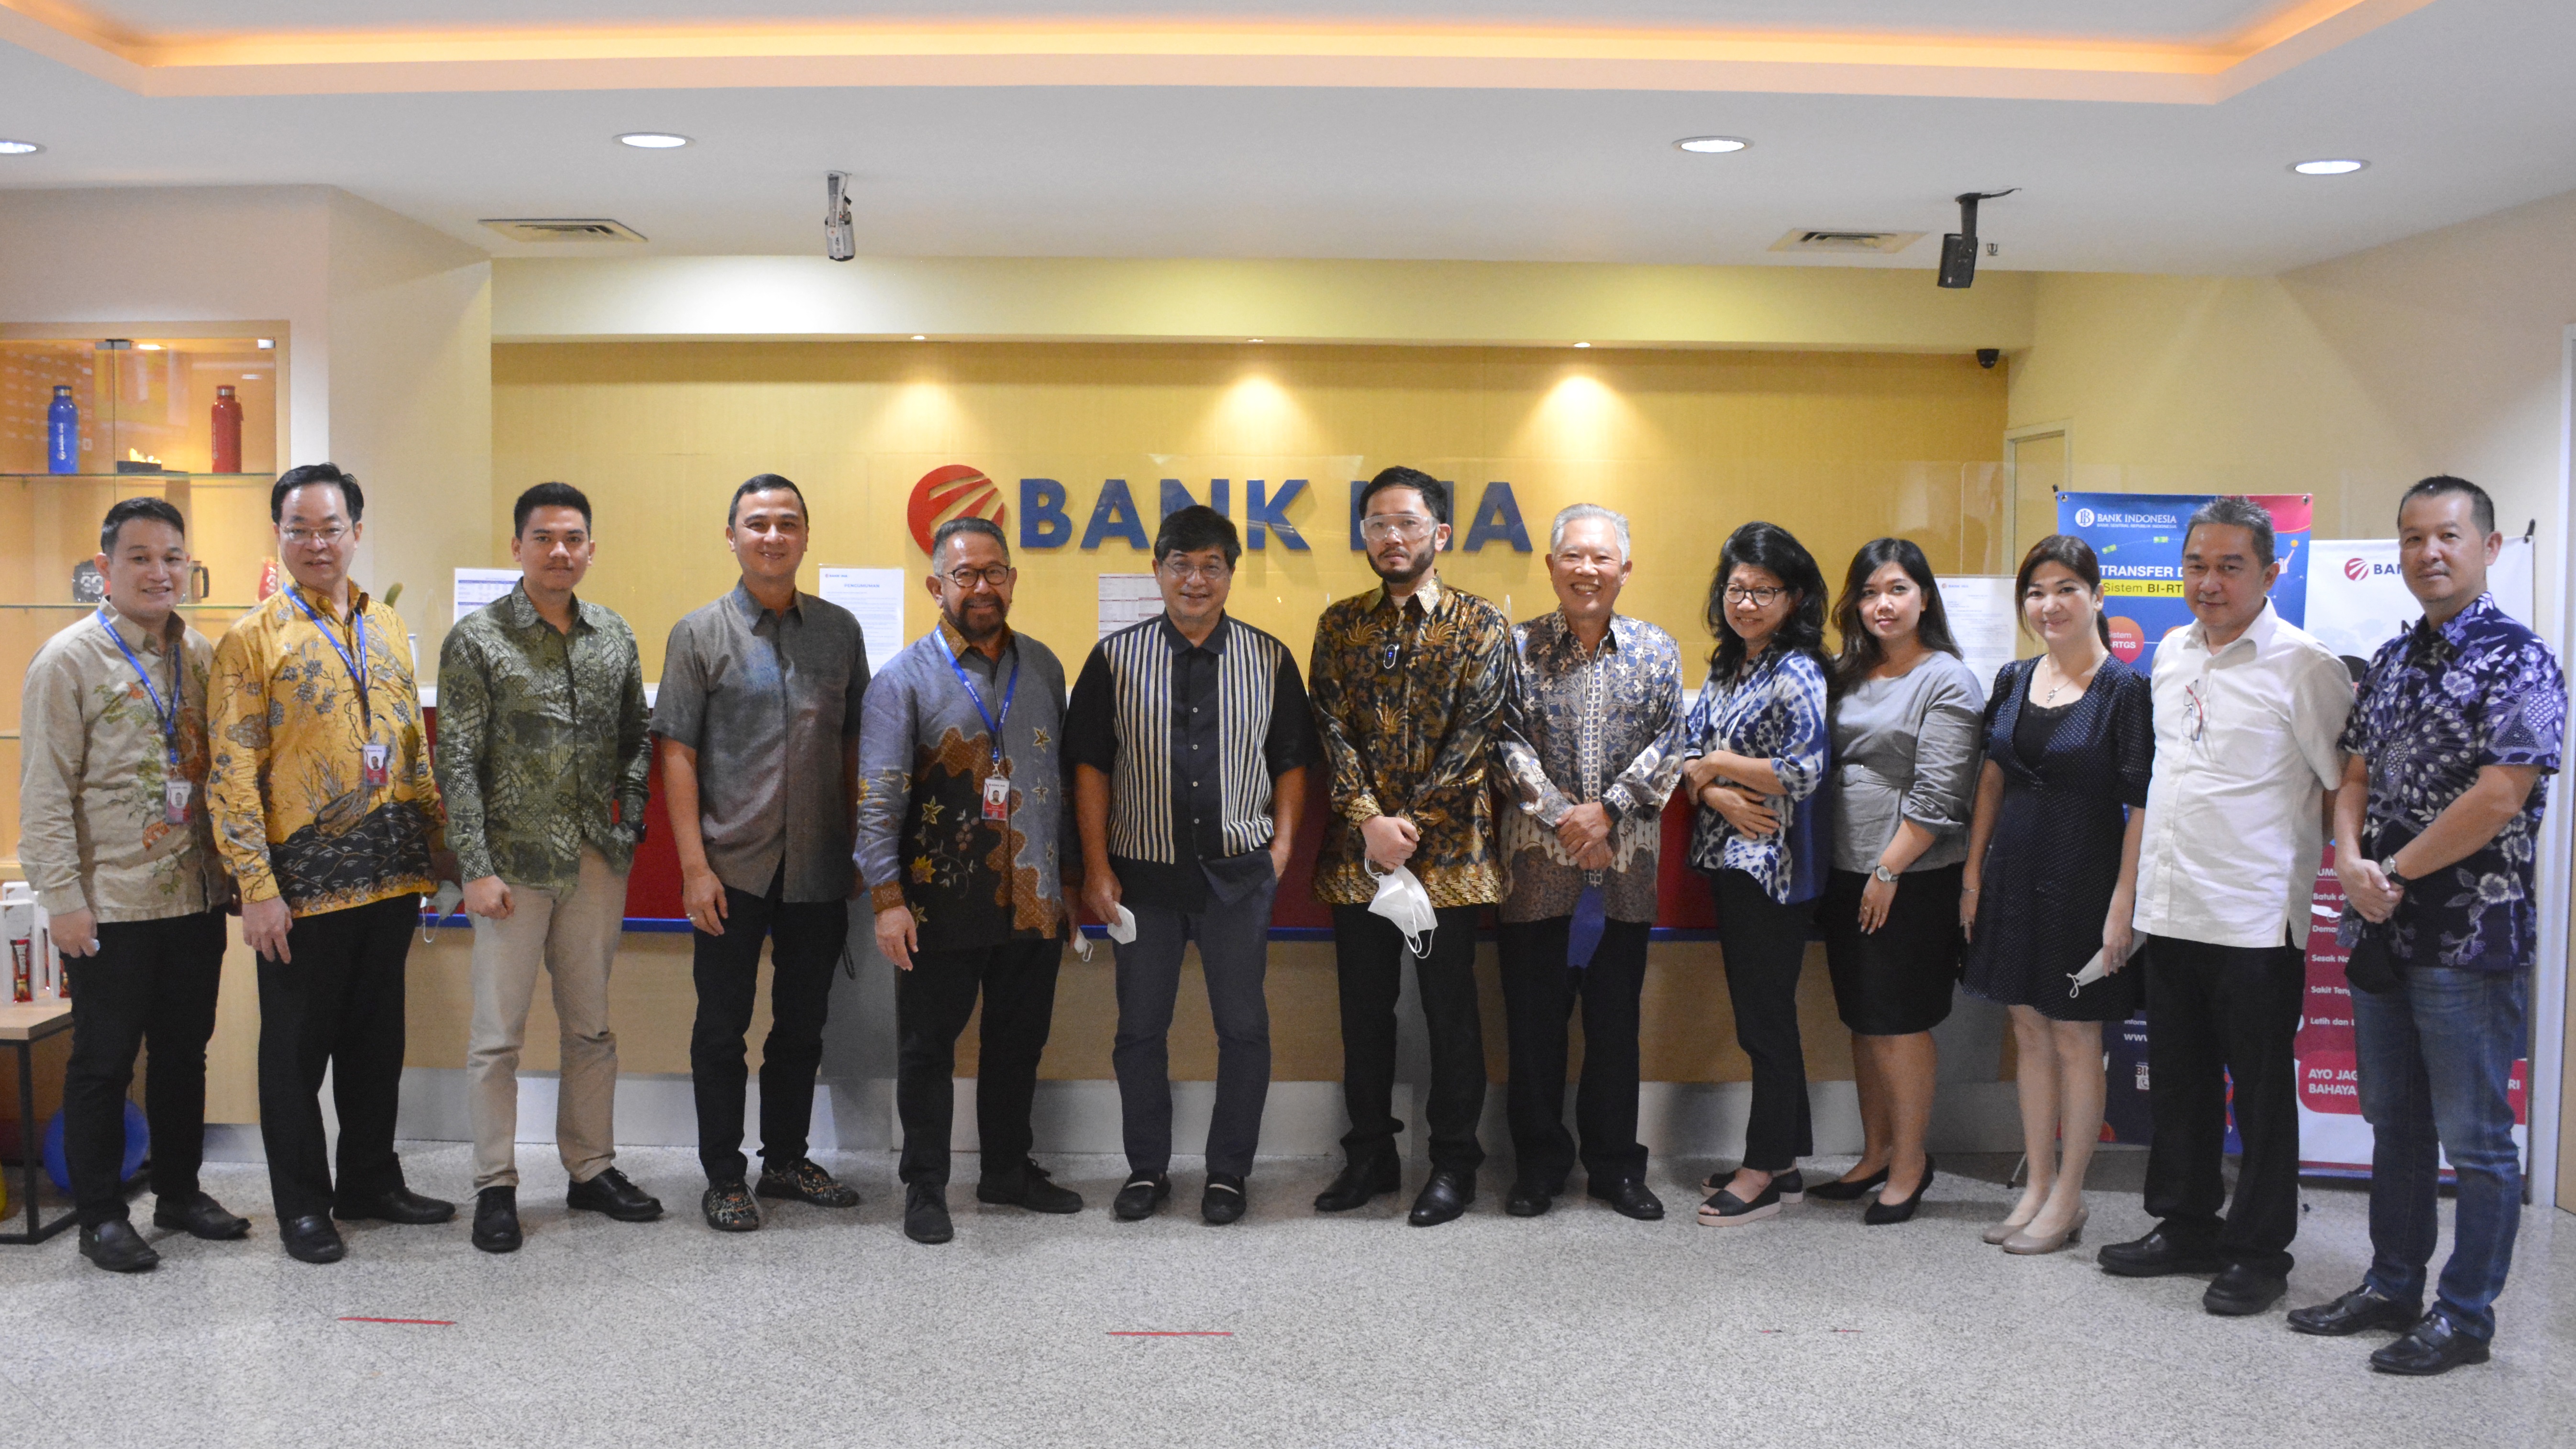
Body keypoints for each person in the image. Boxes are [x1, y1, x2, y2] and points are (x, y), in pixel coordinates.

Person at [2294, 476, 2565, 1375]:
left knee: (2477, 1139)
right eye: (2412, 538)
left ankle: (2465, 1315)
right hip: (2382, 929)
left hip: (2467, 940)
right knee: (2395, 1122)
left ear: (2488, 547)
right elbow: (2354, 775)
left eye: (2446, 536)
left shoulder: (2520, 659)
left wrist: (2391, 872)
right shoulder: (2391, 658)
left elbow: (2500, 795)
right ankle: (2391, 1285)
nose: (2428, 553)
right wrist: (2347, 859)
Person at [2098, 496, 2353, 1316]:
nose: (2208, 582)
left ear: (2269, 573)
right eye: (2196, 565)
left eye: (2229, 567)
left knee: (2261, 1093)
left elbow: (2340, 783)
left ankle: (2258, 1251)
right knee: (2179, 1082)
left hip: (2254, 917)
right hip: (2173, 906)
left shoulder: (2304, 665)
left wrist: (2295, 853)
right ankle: (2185, 1225)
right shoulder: (2171, 652)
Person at [207, 464, 454, 1264]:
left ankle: (370, 1182)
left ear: (356, 531)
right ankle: (303, 1205)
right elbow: (232, 773)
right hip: (299, 892)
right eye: (299, 529)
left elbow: (411, 747)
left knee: (376, 1047)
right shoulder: (251, 640)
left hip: (390, 875)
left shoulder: (385, 625)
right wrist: (256, 889)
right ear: (279, 535)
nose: (317, 543)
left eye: (330, 528)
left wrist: (437, 849)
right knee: (294, 1055)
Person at [1067, 506, 1316, 1225]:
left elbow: (1290, 760)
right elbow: (1091, 767)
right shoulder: (1114, 659)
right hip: (1141, 878)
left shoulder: (1269, 658)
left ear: (1231, 573)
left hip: (1238, 877)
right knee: (1139, 1030)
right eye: (1180, 564)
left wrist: (1281, 848)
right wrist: (1095, 867)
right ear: (1157, 571)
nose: (1195, 579)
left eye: (1211, 565)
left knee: (1243, 1028)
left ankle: (1228, 1172)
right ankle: (1146, 1168)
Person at [20, 498, 244, 1273]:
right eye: (141, 557)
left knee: (184, 1054)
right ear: (105, 567)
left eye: (173, 557)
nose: (159, 572)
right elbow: (44, 792)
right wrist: (63, 900)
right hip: (109, 904)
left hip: (193, 895)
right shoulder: (68, 660)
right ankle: (102, 1217)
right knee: (104, 1061)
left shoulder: (201, 654)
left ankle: (179, 1192)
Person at [437, 482, 662, 1254]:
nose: (559, 552)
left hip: (594, 862)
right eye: (544, 538)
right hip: (510, 868)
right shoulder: (478, 639)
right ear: (517, 547)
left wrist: (629, 819)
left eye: (572, 539)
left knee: (591, 1026)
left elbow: (637, 737)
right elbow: (457, 758)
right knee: (498, 1038)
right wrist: (474, 866)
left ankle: (590, 1167)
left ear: (590, 548)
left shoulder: (614, 635)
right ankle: (495, 1185)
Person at [652, 474, 870, 1233]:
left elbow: (854, 742)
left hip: (818, 865)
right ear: (732, 536)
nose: (772, 536)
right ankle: (723, 1175)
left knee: (801, 1027)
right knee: (722, 1029)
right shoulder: (698, 634)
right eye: (757, 523)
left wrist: (856, 845)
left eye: (787, 523)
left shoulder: (839, 631)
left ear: (805, 535)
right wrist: (693, 868)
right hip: (729, 868)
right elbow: (676, 754)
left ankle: (785, 1160)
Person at [860, 516, 1081, 1246]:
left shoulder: (1044, 667)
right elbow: (877, 797)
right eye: (964, 575)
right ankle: (925, 1185)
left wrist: (1067, 882)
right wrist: (887, 900)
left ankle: (1006, 1171)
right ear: (936, 586)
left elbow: (1061, 784)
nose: (981, 587)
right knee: (928, 1049)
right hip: (939, 900)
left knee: (1018, 1043)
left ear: (1012, 580)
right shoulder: (902, 679)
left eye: (994, 572)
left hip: (1033, 897)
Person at [1306, 466, 1514, 1227]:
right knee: (1363, 1012)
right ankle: (1369, 1154)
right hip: (1357, 857)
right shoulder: (1339, 624)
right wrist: (1369, 820)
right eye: (1377, 524)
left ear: (1441, 533)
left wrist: (1407, 824)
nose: (1391, 537)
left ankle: (1454, 1163)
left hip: (1450, 853)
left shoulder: (1480, 624)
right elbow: (1329, 728)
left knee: (1450, 1012)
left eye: (1407, 523)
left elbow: (1476, 737)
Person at [1960, 535, 2153, 1254]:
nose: (2050, 604)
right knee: (2027, 1029)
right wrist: (1973, 872)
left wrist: (2123, 902)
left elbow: (2141, 804)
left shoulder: (2124, 689)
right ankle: (2036, 1185)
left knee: (2076, 1036)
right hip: (2012, 872)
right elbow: (1992, 778)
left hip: (2085, 880)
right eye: (2036, 592)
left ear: (2097, 597)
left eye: (2066, 588)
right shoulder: (2013, 678)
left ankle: (2070, 1196)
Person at [1493, 504, 1686, 1222]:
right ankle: (1538, 1168)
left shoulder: (1657, 650)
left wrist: (1607, 811)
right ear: (1551, 566)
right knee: (1533, 1030)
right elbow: (1502, 743)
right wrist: (1566, 819)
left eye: (1602, 558)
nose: (1587, 570)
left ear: (1624, 569)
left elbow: (1671, 744)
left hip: (1626, 873)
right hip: (1534, 874)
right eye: (1573, 556)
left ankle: (1614, 1168)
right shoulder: (1514, 648)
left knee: (1614, 1030)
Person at [1813, 538, 1983, 1225]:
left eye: (1896, 589)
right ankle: (1875, 1153)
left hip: (1908, 877)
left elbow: (1942, 795)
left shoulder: (1947, 679)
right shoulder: (1849, 673)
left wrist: (1888, 869)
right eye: (1869, 592)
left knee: (1900, 1023)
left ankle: (1911, 1163)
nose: (1882, 604)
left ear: (1924, 598)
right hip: (1845, 867)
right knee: (1864, 1020)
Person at [1681, 521, 1832, 1227]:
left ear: (1793, 598)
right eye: (1736, 588)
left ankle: (1761, 1171)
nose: (1745, 603)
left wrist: (1716, 764)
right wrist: (1712, 788)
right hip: (1726, 859)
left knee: (1763, 1022)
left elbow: (1803, 770)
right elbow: (1686, 752)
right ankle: (1786, 1160)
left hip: (1773, 870)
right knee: (1763, 1015)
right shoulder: (1727, 664)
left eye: (1763, 591)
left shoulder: (1797, 670)